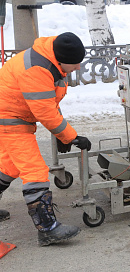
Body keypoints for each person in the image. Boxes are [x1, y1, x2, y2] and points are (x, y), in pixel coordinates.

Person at [0, 32, 91, 246]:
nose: (78, 68)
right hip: (10, 119)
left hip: (12, 115)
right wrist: (71, 137)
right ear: (61, 61)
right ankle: (48, 229)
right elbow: (45, 112)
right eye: (75, 64)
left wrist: (62, 134)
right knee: (35, 171)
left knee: (10, 166)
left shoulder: (51, 60)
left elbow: (49, 102)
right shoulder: (38, 69)